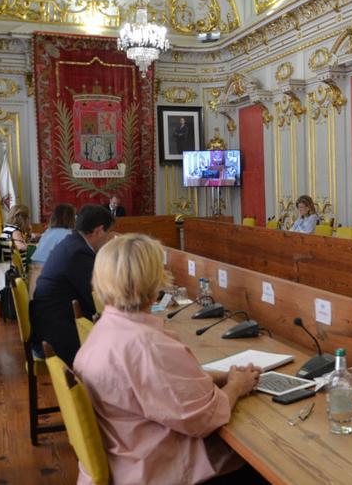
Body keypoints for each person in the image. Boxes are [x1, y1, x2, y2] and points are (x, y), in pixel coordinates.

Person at [73, 234, 264, 485]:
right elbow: (204, 419)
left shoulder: (104, 329)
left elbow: (160, 387)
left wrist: (225, 375)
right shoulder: (147, 346)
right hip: (158, 469)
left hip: (125, 461)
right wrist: (236, 387)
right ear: (155, 281)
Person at [31, 205, 115, 367]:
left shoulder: (72, 243)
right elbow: (97, 296)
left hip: (48, 329)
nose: (109, 239)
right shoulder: (78, 252)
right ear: (98, 231)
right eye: (108, 233)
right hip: (56, 337)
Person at [29, 203, 76, 296]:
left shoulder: (48, 231)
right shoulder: (69, 235)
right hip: (49, 280)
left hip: (33, 279)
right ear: (71, 218)